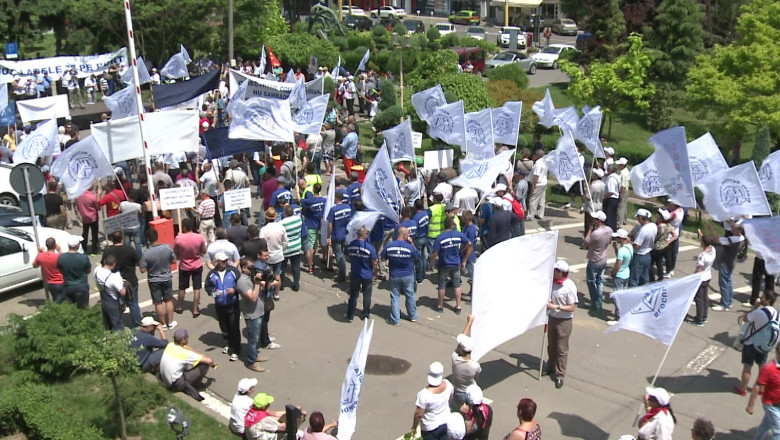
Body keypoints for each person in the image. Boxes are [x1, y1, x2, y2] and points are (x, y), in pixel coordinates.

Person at [735, 290, 778, 396]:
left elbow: (745, 318)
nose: (761, 298)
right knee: (762, 366)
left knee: (747, 366)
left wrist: (754, 307)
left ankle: (743, 389)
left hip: (751, 343)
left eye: (763, 297)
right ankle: (761, 389)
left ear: (767, 301)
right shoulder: (777, 314)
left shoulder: (759, 312)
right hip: (765, 344)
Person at [545, 259, 578, 389]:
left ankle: (560, 375)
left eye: (555, 270)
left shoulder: (569, 286)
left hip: (564, 321)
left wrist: (556, 306)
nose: (553, 272)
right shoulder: (551, 282)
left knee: (562, 349)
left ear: (560, 272)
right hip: (552, 318)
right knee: (551, 346)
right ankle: (550, 367)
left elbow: (572, 307)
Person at [159, 328, 216, 401]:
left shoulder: (170, 345)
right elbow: (208, 361)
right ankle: (195, 384)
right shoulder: (184, 354)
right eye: (187, 337)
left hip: (166, 380)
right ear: (183, 340)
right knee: (204, 365)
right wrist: (213, 364)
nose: (188, 338)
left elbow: (185, 347)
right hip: (176, 384)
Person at [429, 218, 472, 314]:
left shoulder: (440, 237)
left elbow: (435, 253)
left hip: (444, 264)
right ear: (452, 225)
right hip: (456, 262)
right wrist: (462, 250)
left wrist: (431, 264)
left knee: (442, 285)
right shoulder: (458, 234)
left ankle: (440, 306)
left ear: (444, 226)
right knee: (457, 284)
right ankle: (458, 306)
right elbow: (469, 243)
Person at [205, 252, 242, 362]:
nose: (225, 262)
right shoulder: (212, 274)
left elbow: (241, 283)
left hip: (233, 303)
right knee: (224, 325)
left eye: (226, 260)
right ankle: (227, 343)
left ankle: (236, 349)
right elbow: (208, 286)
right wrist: (212, 293)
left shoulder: (233, 271)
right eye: (222, 261)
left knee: (234, 326)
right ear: (216, 261)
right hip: (220, 304)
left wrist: (234, 290)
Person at [103, 230, 142, 328]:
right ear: (122, 238)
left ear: (112, 239)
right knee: (133, 304)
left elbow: (103, 265)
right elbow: (138, 262)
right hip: (131, 280)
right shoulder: (129, 249)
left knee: (117, 304)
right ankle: (137, 325)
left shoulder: (108, 251)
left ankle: (118, 325)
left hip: (114, 282)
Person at [140, 228, 177, 329]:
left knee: (158, 302)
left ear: (148, 239)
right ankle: (170, 322)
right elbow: (174, 260)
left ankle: (163, 323)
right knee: (169, 300)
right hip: (166, 277)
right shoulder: (167, 248)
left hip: (154, 279)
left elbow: (142, 269)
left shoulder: (146, 253)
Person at [381, 226, 419, 325]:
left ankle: (395, 319)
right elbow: (417, 256)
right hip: (408, 274)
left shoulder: (390, 246)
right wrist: (412, 243)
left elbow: (383, 258)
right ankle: (413, 315)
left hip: (394, 274)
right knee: (410, 295)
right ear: (405, 235)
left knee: (395, 296)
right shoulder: (409, 246)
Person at [238, 258, 269, 372]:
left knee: (256, 338)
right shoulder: (242, 281)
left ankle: (255, 355)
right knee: (253, 339)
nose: (253, 269)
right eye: (250, 267)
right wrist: (256, 283)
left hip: (259, 312)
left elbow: (261, 289)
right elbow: (252, 297)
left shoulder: (251, 277)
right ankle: (251, 362)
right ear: (244, 268)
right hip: (252, 315)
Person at [411, 362, 454, 440]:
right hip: (446, 422)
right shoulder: (448, 385)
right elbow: (450, 399)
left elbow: (418, 414)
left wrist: (414, 428)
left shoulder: (424, 394)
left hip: (430, 428)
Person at [174, 218, 207, 317]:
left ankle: (179, 307)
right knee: (197, 288)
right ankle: (195, 309)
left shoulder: (178, 238)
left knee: (182, 288)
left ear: (184, 227)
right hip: (197, 265)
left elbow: (175, 252)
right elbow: (204, 250)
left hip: (184, 266)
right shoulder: (199, 237)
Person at [746, 343, 780, 439]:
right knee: (778, 431)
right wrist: (750, 405)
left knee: (766, 426)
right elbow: (757, 386)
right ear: (777, 353)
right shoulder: (769, 368)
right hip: (771, 404)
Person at [346, 226, 377, 322]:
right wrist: (375, 273)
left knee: (353, 295)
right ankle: (366, 314)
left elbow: (347, 253)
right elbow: (374, 262)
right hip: (367, 274)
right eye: (366, 233)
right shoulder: (369, 248)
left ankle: (350, 315)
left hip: (355, 273)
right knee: (367, 295)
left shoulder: (351, 244)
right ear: (364, 235)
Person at [713, 221, 745, 312]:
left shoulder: (733, 239)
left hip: (726, 262)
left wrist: (711, 229)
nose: (731, 227)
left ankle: (724, 304)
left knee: (723, 283)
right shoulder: (741, 238)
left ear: (738, 230)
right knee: (728, 281)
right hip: (731, 262)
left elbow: (717, 239)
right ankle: (729, 301)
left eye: (733, 227)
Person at [584, 210, 612, 315]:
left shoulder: (595, 233)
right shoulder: (609, 230)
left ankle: (595, 302)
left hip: (594, 260)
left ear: (599, 220)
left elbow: (586, 242)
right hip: (603, 259)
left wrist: (590, 229)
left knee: (591, 281)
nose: (593, 221)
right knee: (600, 281)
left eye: (595, 219)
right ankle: (599, 300)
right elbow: (609, 241)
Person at [451, 315, 480, 410]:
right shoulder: (475, 366)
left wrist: (468, 323)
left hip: (457, 391)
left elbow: (463, 337)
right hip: (469, 392)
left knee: (456, 410)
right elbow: (476, 377)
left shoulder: (455, 358)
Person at [687, 231, 716, 327]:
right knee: (705, 297)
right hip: (708, 276)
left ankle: (699, 319)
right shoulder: (713, 249)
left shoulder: (702, 256)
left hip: (701, 278)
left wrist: (692, 277)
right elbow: (707, 240)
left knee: (699, 299)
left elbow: (698, 269)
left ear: (703, 243)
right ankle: (704, 316)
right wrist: (702, 234)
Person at [93, 254, 127, 330]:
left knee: (107, 324)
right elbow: (122, 292)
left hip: (103, 300)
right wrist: (124, 285)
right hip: (113, 302)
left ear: (104, 261)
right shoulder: (113, 277)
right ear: (114, 264)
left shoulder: (96, 271)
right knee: (117, 324)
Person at [260, 208, 288, 300]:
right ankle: (277, 294)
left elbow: (261, 244)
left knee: (266, 276)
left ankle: (266, 293)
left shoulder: (264, 230)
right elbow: (285, 242)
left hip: (268, 257)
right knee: (277, 276)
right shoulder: (281, 227)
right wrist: (281, 250)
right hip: (279, 255)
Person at [57, 235, 91, 308]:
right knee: (83, 310)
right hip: (82, 287)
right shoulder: (84, 257)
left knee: (70, 310)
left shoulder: (61, 257)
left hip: (68, 287)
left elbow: (60, 270)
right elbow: (88, 271)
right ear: (77, 246)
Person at [327, 192, 352, 282]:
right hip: (346, 234)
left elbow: (330, 225)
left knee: (339, 255)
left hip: (336, 235)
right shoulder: (348, 208)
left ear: (336, 198)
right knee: (344, 254)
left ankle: (342, 275)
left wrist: (328, 236)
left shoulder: (333, 210)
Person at [629, 209, 657, 287]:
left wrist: (629, 242)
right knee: (645, 278)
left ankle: (633, 296)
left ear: (641, 217)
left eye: (638, 218)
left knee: (634, 279)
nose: (637, 220)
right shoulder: (653, 226)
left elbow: (637, 245)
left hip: (639, 255)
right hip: (648, 255)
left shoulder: (643, 230)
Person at [32, 237, 65, 302]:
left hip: (49, 283)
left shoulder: (41, 256)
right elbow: (66, 261)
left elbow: (34, 265)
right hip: (60, 282)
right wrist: (59, 250)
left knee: (55, 299)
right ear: (55, 246)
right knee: (61, 302)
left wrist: (39, 252)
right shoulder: (58, 256)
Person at [280, 205, 303, 291]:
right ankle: (296, 284)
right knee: (296, 267)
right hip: (296, 247)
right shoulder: (299, 219)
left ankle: (281, 284)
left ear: (285, 213)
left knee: (282, 267)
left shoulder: (282, 223)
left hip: (285, 249)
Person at [650, 210, 677, 282]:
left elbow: (654, 236)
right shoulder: (669, 226)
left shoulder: (659, 226)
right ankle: (660, 278)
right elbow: (675, 235)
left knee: (651, 263)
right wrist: (668, 242)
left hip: (656, 246)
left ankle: (651, 279)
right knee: (659, 263)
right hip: (664, 246)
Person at [76, 187, 101, 254]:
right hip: (93, 217)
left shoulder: (79, 195)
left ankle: (84, 248)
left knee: (85, 233)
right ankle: (94, 249)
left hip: (84, 216)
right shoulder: (93, 196)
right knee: (94, 234)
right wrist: (99, 195)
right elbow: (98, 207)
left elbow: (78, 206)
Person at [527, 150, 547, 220]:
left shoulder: (538, 164)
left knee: (533, 200)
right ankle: (540, 214)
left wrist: (533, 184)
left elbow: (536, 175)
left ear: (537, 156)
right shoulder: (544, 162)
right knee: (541, 199)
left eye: (534, 155)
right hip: (544, 182)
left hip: (538, 183)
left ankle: (530, 216)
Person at [603, 164, 621, 231]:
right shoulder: (617, 176)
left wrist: (604, 197)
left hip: (611, 199)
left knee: (609, 216)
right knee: (613, 217)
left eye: (608, 169)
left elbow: (611, 192)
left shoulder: (611, 178)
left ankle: (609, 231)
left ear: (610, 170)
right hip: (616, 199)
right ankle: (613, 230)